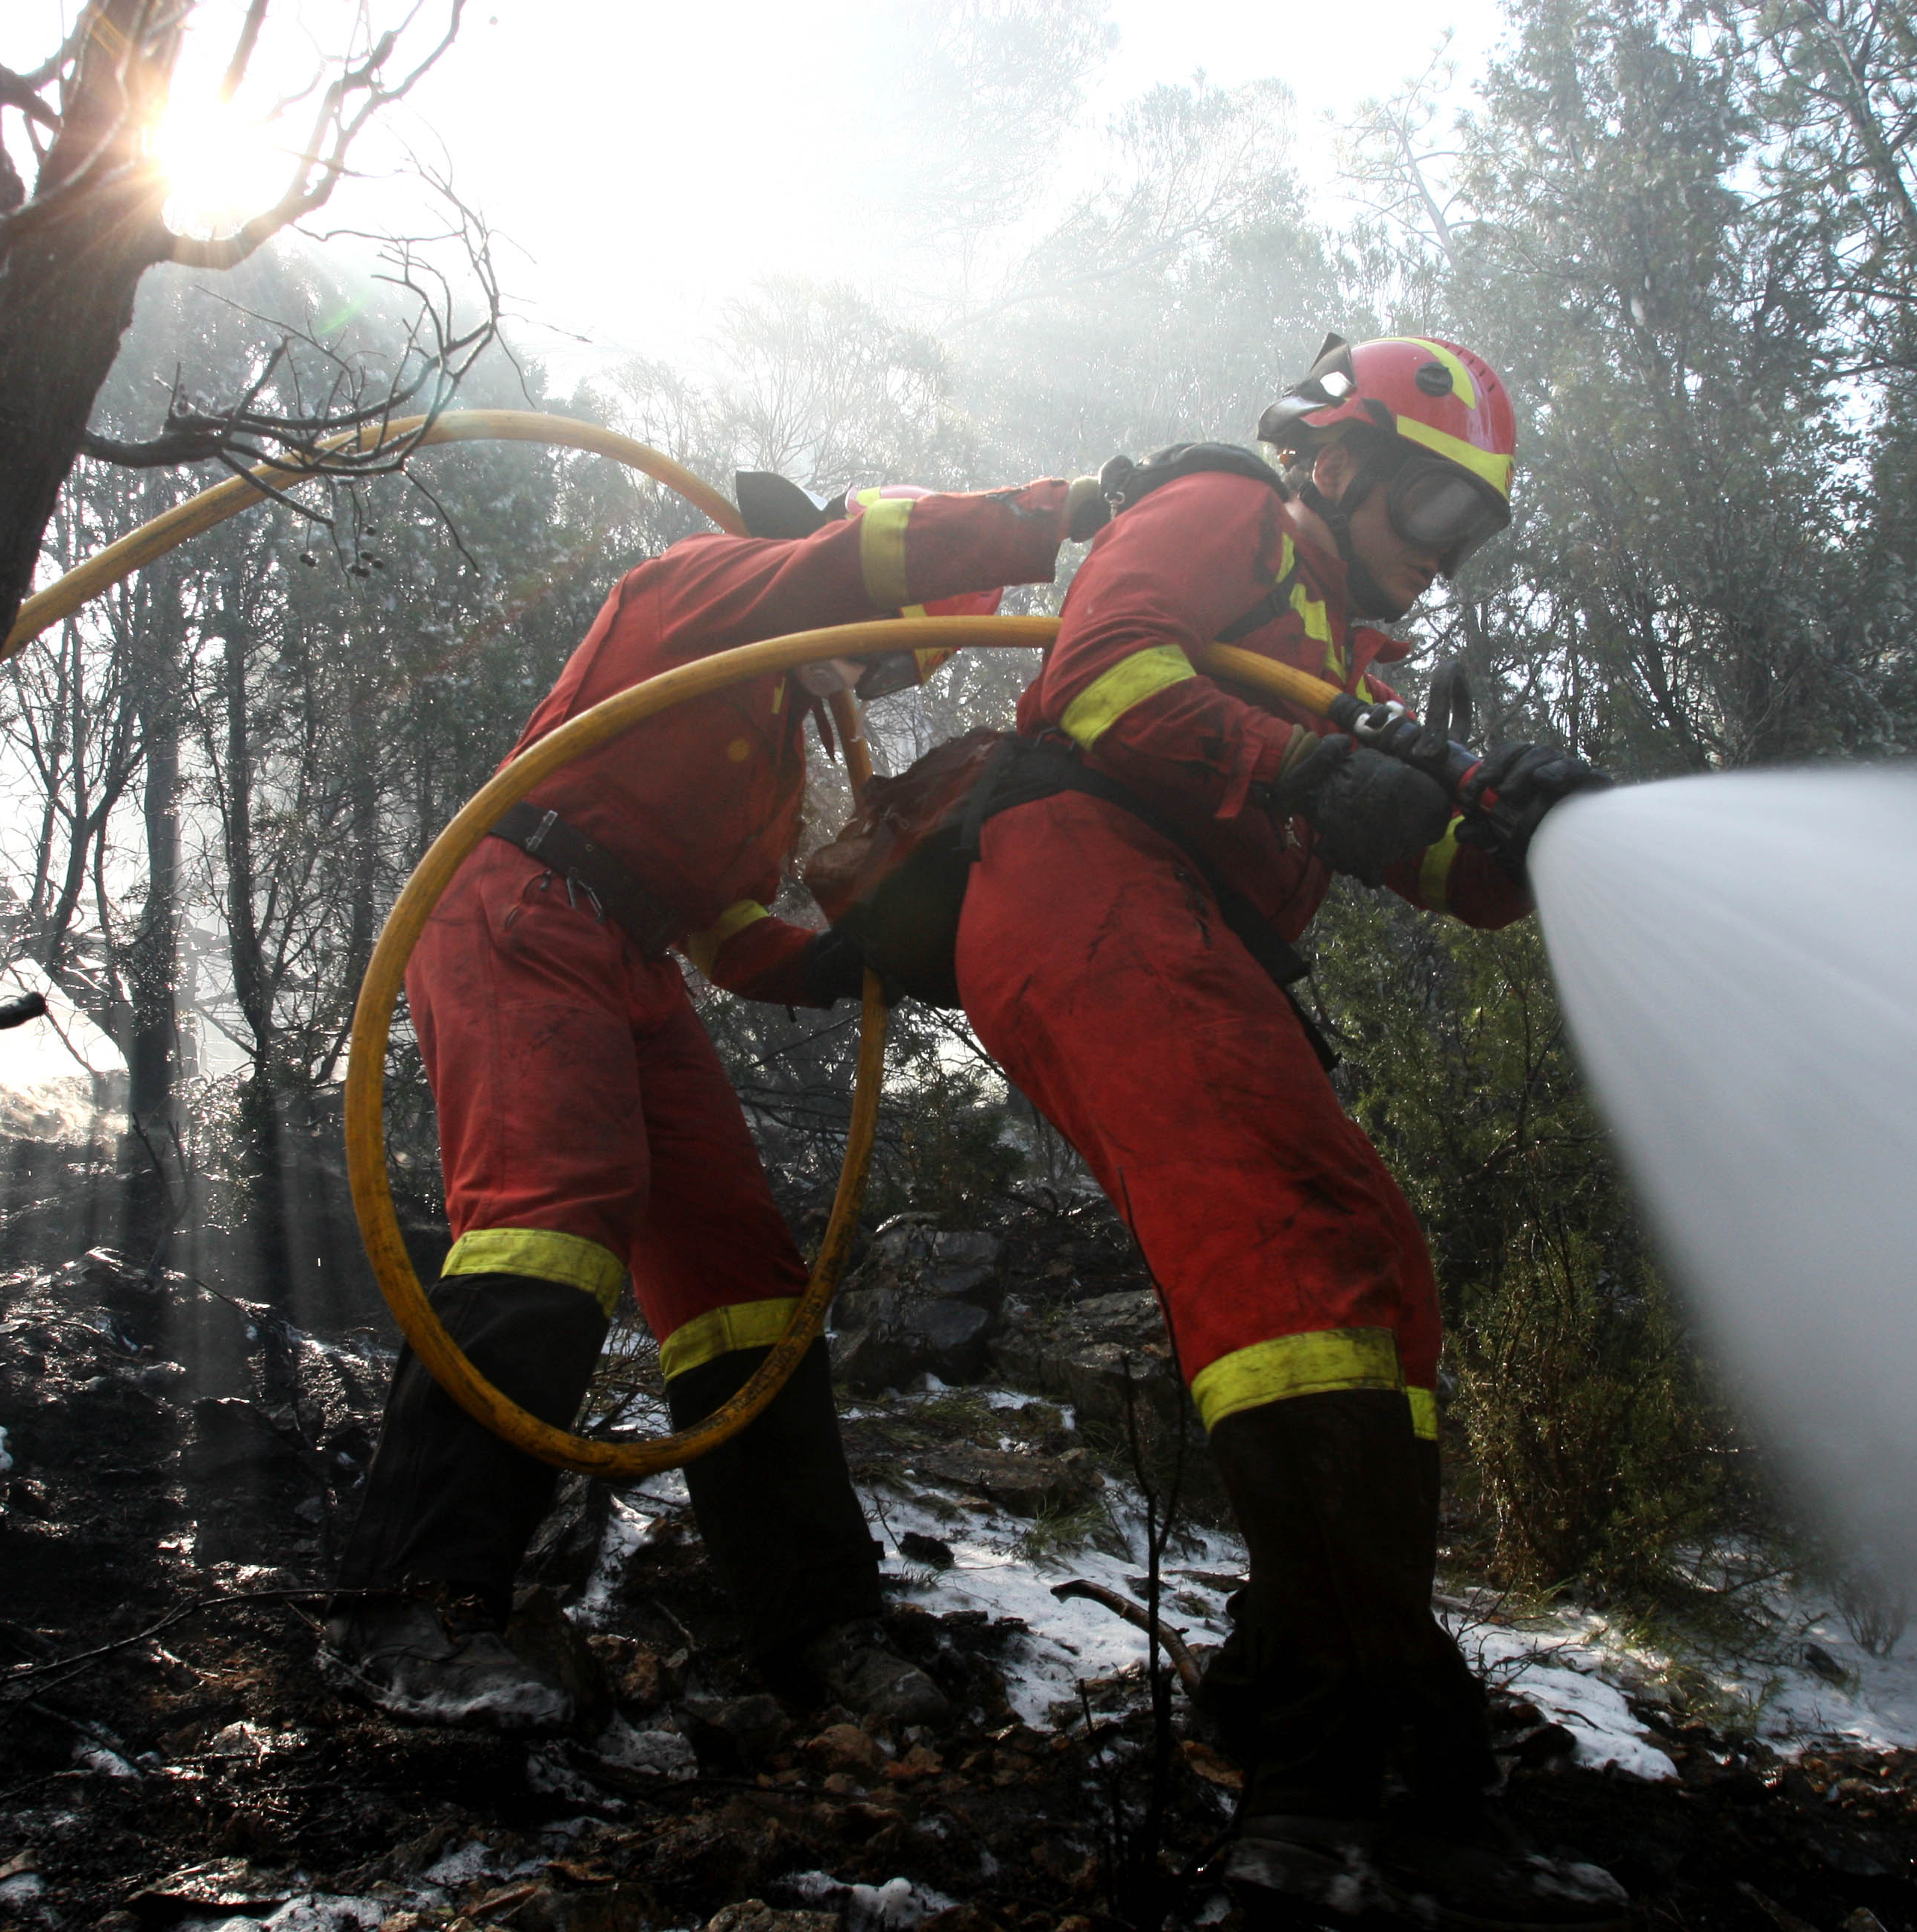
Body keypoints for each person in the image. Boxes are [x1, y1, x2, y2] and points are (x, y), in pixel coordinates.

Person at [950, 338, 1623, 1928]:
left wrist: (1526, 836)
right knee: (1291, 1257)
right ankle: (1324, 1796)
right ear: (1336, 458)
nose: (1444, 553)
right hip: (1083, 880)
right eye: (1432, 507)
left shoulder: (1352, 666)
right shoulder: (1227, 510)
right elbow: (1106, 672)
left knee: (1380, 1272)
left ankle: (1318, 1689)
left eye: (1473, 532)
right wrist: (1310, 766)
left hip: (1188, 928)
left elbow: (1435, 869)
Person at [323, 469, 1103, 1728]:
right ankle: (405, 1605)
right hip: (519, 906)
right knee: (552, 1215)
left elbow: (727, 933)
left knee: (744, 1280)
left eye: (889, 676)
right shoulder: (709, 587)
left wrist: (854, 963)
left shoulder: (773, 759)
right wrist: (1062, 513)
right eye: (883, 653)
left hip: (629, 959)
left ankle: (816, 1627)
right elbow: (852, 561)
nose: (867, 686)